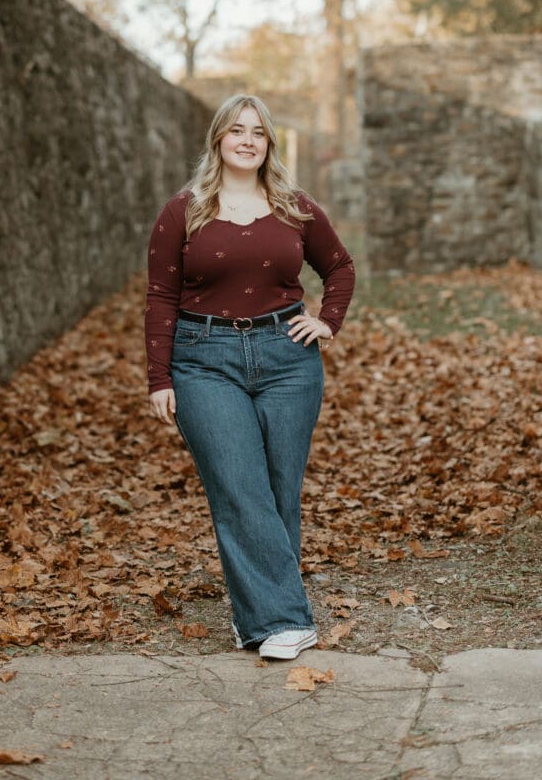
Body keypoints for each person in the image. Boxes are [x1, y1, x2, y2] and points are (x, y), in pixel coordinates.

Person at [144, 93, 355, 660]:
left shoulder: (294, 207)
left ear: (269, 144)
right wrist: (158, 377)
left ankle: (255, 617)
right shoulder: (182, 211)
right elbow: (161, 295)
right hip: (203, 358)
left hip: (287, 358)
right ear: (218, 138)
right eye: (236, 130)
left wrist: (327, 323)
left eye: (258, 133)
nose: (246, 140)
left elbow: (339, 266)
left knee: (279, 491)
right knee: (239, 487)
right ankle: (284, 619)